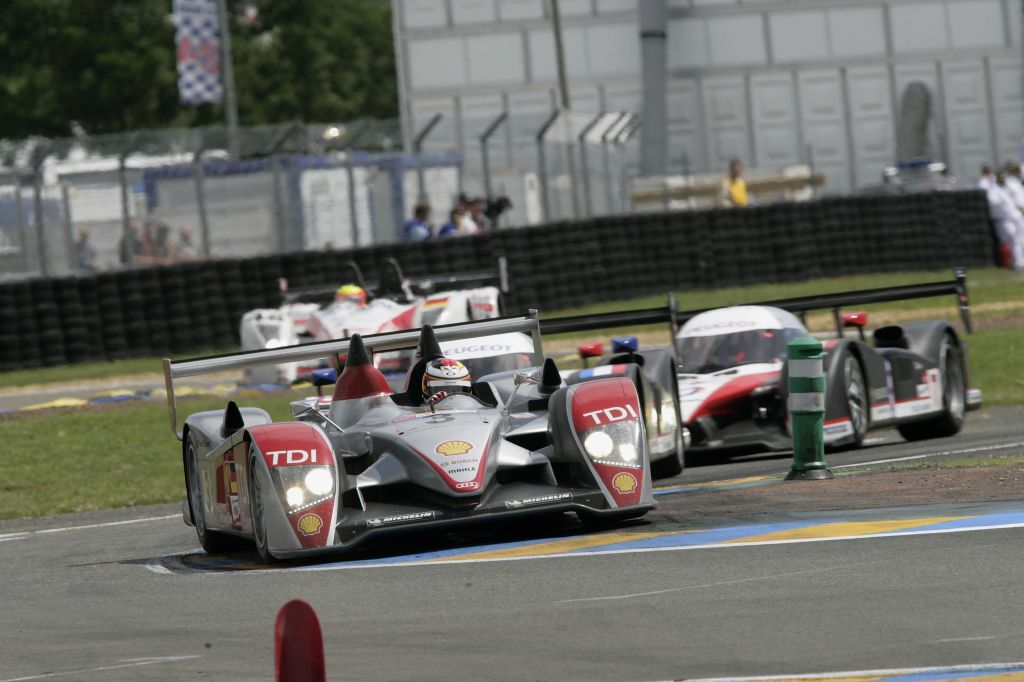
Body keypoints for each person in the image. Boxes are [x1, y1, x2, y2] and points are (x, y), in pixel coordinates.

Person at [985, 173, 1024, 270]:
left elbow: (1018, 198)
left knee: (1020, 240)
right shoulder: (993, 190)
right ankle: (1018, 263)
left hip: (1016, 216)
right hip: (1004, 219)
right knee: (1013, 240)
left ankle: (1019, 261)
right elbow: (993, 201)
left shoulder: (1009, 188)